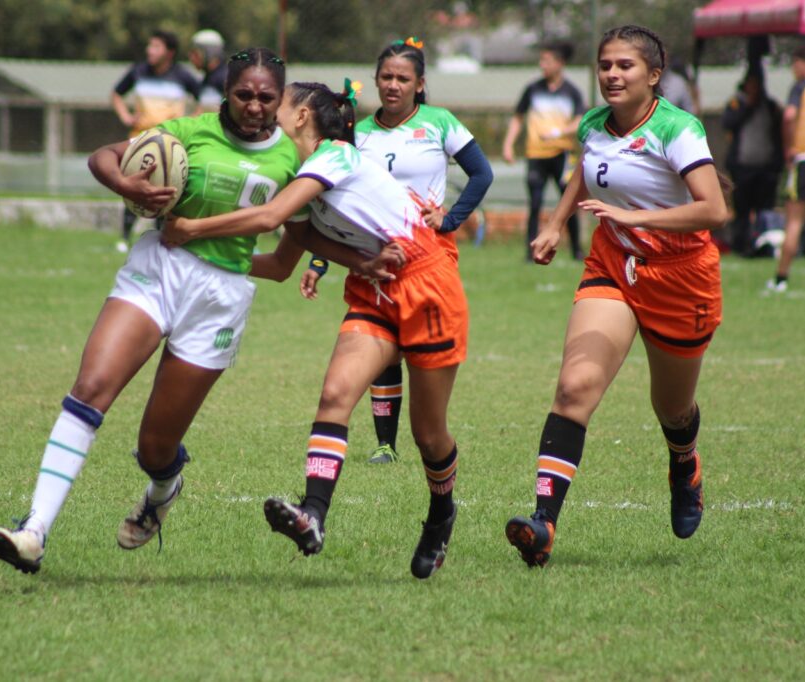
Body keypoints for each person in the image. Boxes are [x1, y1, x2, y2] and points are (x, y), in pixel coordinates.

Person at [0, 49, 396, 575]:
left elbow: (298, 238)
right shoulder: (188, 132)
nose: (254, 105)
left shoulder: (292, 160)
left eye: (267, 97)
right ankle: (34, 530)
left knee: (156, 446)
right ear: (226, 90)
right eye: (244, 94)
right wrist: (125, 185)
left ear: (281, 102)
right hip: (158, 270)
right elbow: (103, 157)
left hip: (221, 297)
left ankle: (163, 488)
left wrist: (362, 259)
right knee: (91, 389)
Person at [162, 78, 469, 580]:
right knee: (334, 396)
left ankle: (440, 515)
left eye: (276, 105)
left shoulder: (335, 156)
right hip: (376, 286)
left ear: (302, 115)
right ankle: (313, 516)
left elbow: (269, 218)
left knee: (428, 434)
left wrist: (190, 229)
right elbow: (284, 263)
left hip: (428, 282)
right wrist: (201, 254)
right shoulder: (298, 175)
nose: (264, 114)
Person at [504, 25, 729, 568]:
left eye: (625, 66)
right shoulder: (592, 124)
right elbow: (585, 173)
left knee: (672, 409)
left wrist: (636, 215)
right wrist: (556, 224)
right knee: (575, 386)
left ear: (653, 76)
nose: (611, 74)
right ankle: (543, 523)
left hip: (681, 277)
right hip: (613, 265)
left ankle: (685, 465)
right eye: (605, 64)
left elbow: (714, 209)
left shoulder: (677, 128)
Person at [301, 37, 492, 464]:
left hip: (428, 252)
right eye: (386, 77)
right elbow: (335, 204)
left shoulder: (440, 122)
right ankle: (385, 443)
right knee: (376, 336)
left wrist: (451, 218)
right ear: (375, 81)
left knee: (411, 344)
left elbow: (482, 173)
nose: (393, 85)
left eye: (403, 78)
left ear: (419, 84)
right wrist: (318, 261)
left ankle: (422, 441)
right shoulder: (359, 134)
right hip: (373, 250)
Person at [111, 30, 201, 253]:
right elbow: (116, 94)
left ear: (169, 52)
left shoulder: (183, 76)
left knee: (166, 191)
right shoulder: (138, 71)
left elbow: (204, 97)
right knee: (132, 187)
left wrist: (192, 122)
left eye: (155, 46)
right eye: (149, 46)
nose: (149, 51)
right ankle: (124, 237)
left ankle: (161, 235)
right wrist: (126, 116)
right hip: (140, 141)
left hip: (171, 144)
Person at [503, 41, 585, 261]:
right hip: (536, 155)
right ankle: (531, 252)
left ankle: (576, 249)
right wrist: (508, 144)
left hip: (563, 155)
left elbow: (579, 120)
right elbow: (518, 118)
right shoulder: (533, 89)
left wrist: (558, 132)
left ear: (560, 63)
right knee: (535, 204)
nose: (542, 65)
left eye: (546, 61)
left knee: (568, 203)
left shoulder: (572, 92)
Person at [768, 46, 805, 293]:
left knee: (794, 221)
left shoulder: (803, 87)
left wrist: (789, 147)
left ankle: (781, 278)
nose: (793, 69)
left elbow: (789, 116)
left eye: (795, 63)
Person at [722, 69, 783, 256]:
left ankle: (764, 246)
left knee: (764, 209)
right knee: (742, 210)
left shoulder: (771, 106)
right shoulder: (736, 104)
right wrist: (747, 106)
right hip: (742, 166)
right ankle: (741, 245)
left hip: (765, 166)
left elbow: (778, 133)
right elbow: (728, 123)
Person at [188, 29, 227, 113]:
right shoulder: (207, 79)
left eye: (195, 53)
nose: (191, 57)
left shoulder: (225, 79)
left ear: (210, 53)